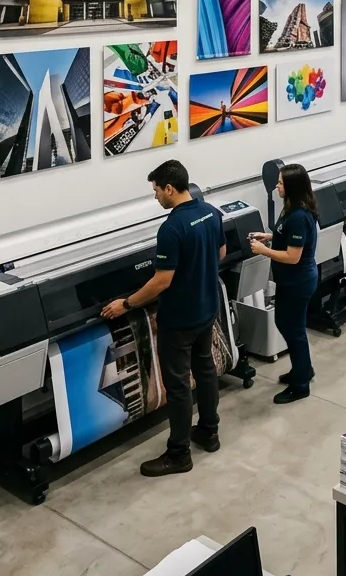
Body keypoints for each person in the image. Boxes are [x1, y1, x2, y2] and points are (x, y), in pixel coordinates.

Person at [101, 160, 224, 477]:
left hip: (180, 319)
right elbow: (220, 253)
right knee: (206, 369)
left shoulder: (171, 228)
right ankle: (209, 432)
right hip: (207, 309)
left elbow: (161, 282)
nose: (155, 196)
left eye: (156, 190)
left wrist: (125, 304)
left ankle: (179, 454)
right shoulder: (211, 212)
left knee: (179, 386)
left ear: (170, 188)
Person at [250, 164, 320, 403]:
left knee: (294, 331)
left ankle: (301, 385)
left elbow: (293, 256)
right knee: (288, 325)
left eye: (280, 183)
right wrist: (269, 237)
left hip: (298, 282)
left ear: (291, 187)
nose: (276, 186)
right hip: (290, 282)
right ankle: (303, 369)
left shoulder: (300, 216)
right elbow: (285, 235)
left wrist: (263, 250)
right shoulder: (290, 209)